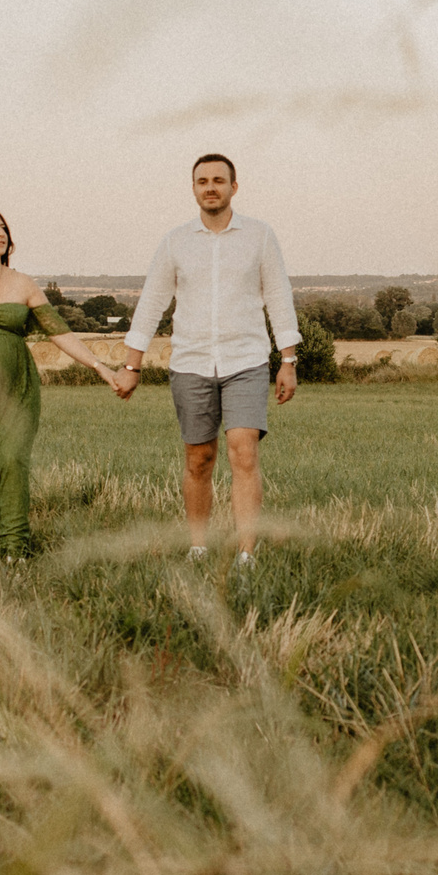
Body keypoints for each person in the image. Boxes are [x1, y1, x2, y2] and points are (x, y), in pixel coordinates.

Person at [120, 154, 301, 569]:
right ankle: (198, 547)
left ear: (234, 187)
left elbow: (278, 297)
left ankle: (245, 555)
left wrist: (287, 359)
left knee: (243, 451)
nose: (210, 187)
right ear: (194, 188)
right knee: (199, 458)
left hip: (246, 359)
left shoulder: (259, 236)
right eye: (202, 181)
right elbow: (150, 305)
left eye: (219, 180)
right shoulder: (175, 241)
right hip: (191, 362)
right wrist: (132, 366)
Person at [0, 206, 129, 555]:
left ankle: (13, 544)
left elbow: (60, 333)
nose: (0, 233)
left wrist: (100, 367)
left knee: (12, 458)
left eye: (3, 227)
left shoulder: (22, 283)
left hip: (15, 387)